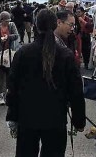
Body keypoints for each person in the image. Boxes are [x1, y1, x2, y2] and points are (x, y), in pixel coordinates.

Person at [6, 9, 86, 157]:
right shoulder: (65, 54)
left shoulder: (23, 53)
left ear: (36, 25)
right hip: (55, 118)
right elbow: (76, 91)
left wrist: (12, 116)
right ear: (56, 24)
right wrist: (79, 120)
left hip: (27, 117)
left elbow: (13, 87)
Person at [0, 11, 19, 105]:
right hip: (0, 54)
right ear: (1, 20)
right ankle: (1, 95)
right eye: (5, 21)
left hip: (11, 53)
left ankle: (8, 94)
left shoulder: (12, 25)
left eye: (8, 21)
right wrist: (2, 53)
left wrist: (8, 37)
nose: (7, 23)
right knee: (0, 74)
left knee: (10, 74)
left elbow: (16, 36)